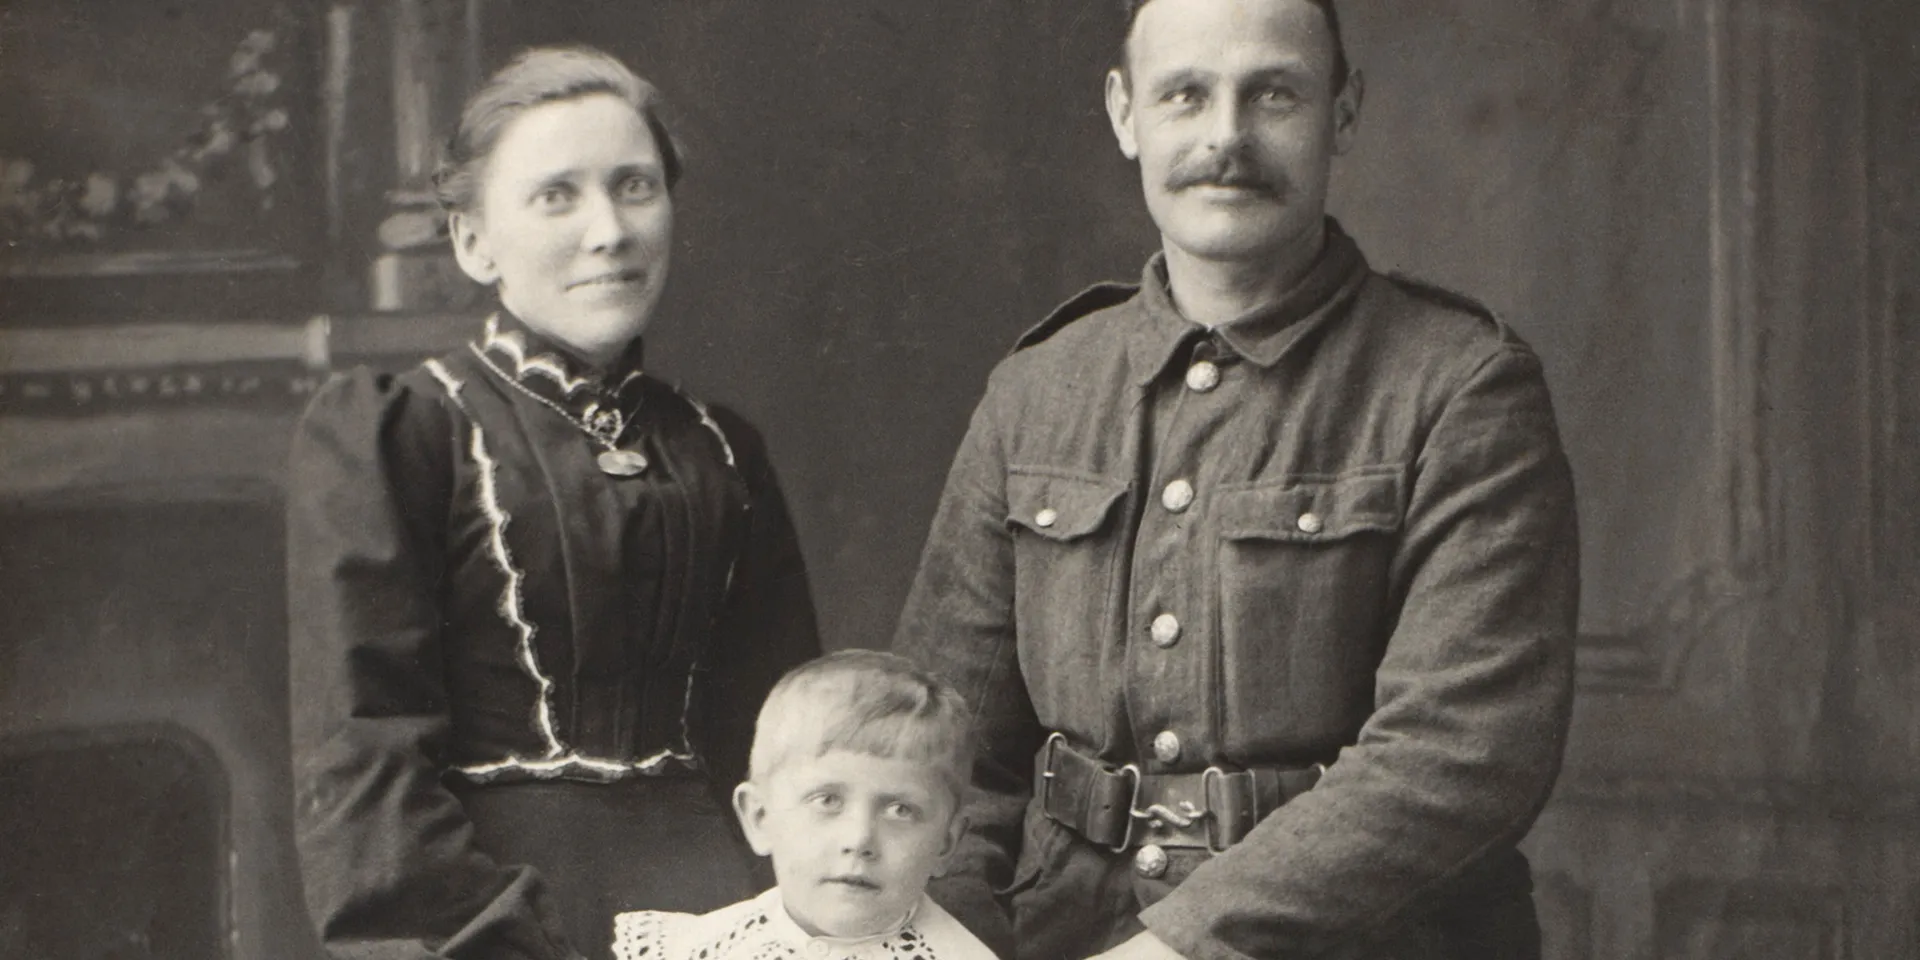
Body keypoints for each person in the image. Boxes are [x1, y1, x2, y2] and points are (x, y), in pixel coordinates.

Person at [892, 1, 1580, 958]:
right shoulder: (1037, 391)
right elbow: (940, 739)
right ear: (1126, 114)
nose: (1226, 137)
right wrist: (950, 939)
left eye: (1273, 93)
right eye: (1185, 95)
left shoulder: (1460, 387)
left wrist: (1176, 946)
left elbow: (1461, 752)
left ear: (1342, 112)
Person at [288, 46, 821, 960]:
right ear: (472, 240)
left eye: (635, 186)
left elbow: (784, 737)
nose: (608, 230)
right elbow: (364, 754)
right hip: (491, 920)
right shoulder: (403, 432)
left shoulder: (721, 450)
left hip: (727, 913)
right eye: (556, 195)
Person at [611, 650, 997, 960]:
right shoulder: (696, 947)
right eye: (827, 800)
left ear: (947, 843)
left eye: (900, 810)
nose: (859, 838)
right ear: (760, 818)